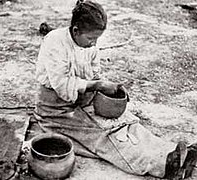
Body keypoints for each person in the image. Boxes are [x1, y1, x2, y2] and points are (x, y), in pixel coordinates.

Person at [34, 0, 197, 179]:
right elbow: (62, 85)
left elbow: (94, 73)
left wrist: (106, 89)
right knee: (105, 134)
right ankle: (164, 166)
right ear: (75, 31)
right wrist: (97, 86)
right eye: (90, 39)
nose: (93, 43)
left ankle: (171, 152)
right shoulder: (55, 42)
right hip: (57, 111)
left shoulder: (89, 46)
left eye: (96, 39)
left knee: (125, 122)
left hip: (83, 100)